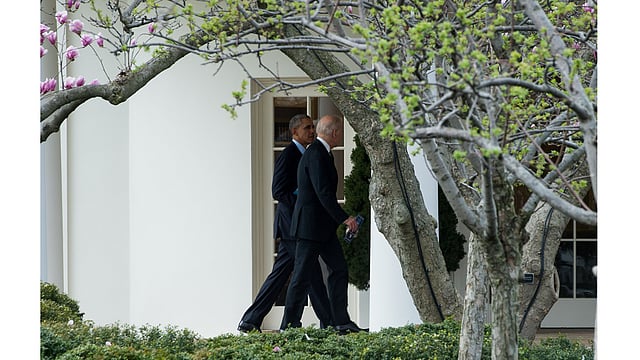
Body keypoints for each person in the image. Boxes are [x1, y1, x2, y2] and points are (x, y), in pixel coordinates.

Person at [237, 114, 334, 333]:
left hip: (298, 227)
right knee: (311, 274)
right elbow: (278, 190)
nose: (312, 131)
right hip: (292, 226)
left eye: (313, 127)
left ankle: (251, 321)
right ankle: (326, 324)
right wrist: (304, 204)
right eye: (307, 127)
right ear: (295, 132)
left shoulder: (308, 154)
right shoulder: (289, 155)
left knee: (284, 274)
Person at [281, 114, 367, 335]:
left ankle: (341, 321)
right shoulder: (316, 154)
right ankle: (288, 326)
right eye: (340, 132)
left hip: (323, 229)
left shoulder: (322, 153)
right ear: (335, 133)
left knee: (339, 269)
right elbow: (324, 193)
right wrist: (345, 219)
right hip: (309, 228)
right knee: (301, 276)